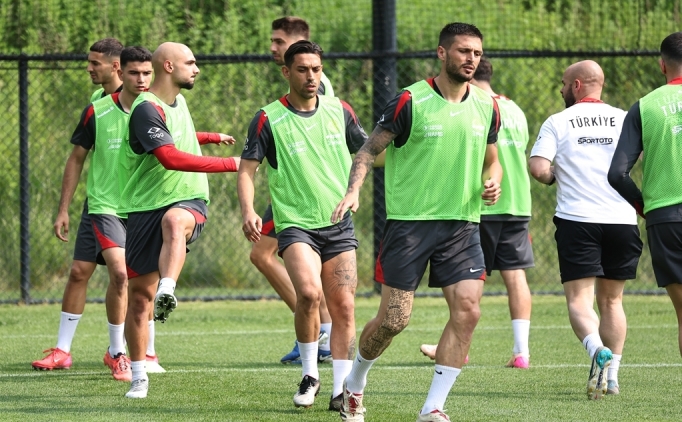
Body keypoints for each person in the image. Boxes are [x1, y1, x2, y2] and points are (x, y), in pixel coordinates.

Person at [331, 22, 501, 422]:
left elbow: (491, 160)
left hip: (462, 225)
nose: (471, 59)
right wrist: (354, 191)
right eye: (463, 51)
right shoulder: (410, 100)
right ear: (442, 53)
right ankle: (354, 382)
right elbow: (366, 151)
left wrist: (493, 180)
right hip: (409, 226)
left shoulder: (487, 106)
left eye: (477, 53)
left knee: (469, 311)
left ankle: (433, 407)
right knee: (394, 320)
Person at [238, 40, 368, 411]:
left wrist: (355, 189)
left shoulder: (340, 110)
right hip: (295, 225)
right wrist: (248, 210)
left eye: (316, 69)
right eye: (302, 69)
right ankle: (310, 375)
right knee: (309, 294)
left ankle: (341, 390)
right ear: (286, 72)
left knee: (344, 308)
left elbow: (367, 153)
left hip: (338, 224)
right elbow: (247, 171)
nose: (311, 76)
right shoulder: (268, 118)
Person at [32, 39, 166, 375]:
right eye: (136, 72)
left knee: (130, 277)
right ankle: (66, 351)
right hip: (102, 205)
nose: (90, 68)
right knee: (83, 272)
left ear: (115, 66)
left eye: (96, 63)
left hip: (139, 207)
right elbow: (77, 157)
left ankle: (129, 351)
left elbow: (174, 145)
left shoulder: (153, 106)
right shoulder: (98, 106)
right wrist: (63, 208)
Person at [118, 42, 239, 399]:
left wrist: (211, 137)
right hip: (144, 207)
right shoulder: (145, 108)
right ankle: (138, 376)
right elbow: (170, 156)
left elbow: (180, 137)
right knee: (138, 301)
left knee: (175, 221)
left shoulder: (179, 102)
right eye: (190, 62)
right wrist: (230, 163)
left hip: (188, 199)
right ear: (169, 66)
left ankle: (168, 288)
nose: (196, 68)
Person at [529, 60, 643, 399]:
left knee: (580, 300)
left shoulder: (558, 121)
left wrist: (554, 176)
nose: (561, 89)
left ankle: (597, 350)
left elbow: (538, 168)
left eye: (564, 84)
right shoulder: (625, 118)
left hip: (578, 219)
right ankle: (614, 378)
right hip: (622, 219)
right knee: (613, 300)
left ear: (576, 85)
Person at [419, 57, 533, 369]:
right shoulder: (514, 109)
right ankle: (521, 352)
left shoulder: (473, 106)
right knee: (516, 276)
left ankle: (458, 346)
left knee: (462, 276)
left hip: (478, 201)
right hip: (517, 201)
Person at [257, 16, 334, 365]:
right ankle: (318, 327)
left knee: (262, 254)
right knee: (262, 255)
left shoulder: (316, 87)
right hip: (294, 190)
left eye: (278, 41)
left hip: (306, 195)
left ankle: (319, 329)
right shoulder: (296, 88)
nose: (272, 47)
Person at [608, 32, 682, 360]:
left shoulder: (645, 106)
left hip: (665, 218)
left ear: (662, 65)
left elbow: (617, 174)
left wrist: (644, 206)